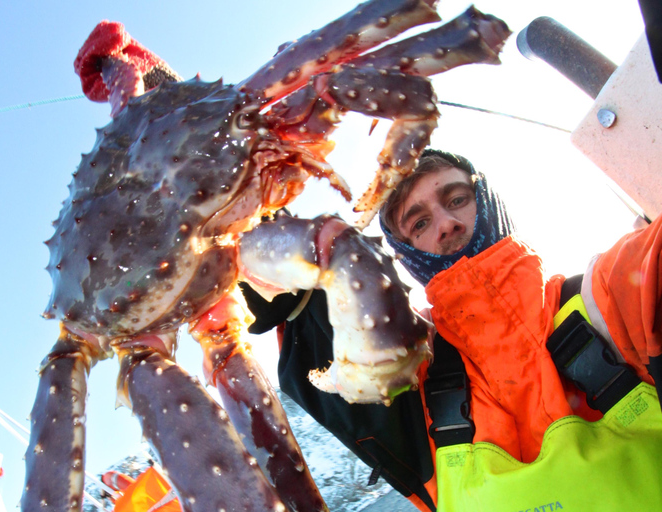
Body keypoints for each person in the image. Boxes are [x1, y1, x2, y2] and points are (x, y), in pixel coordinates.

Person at [243, 148, 662, 511]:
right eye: (419, 224)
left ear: (490, 201)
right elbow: (312, 324)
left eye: (457, 199)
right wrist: (251, 213)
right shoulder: (412, 378)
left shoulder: (608, 296)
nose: (446, 224)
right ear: (405, 254)